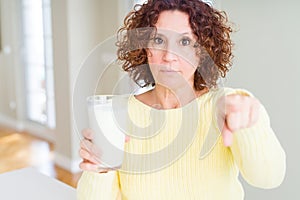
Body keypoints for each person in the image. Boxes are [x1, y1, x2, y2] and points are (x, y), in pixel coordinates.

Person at [77, 0, 286, 199]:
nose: (169, 55)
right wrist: (100, 168)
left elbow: (269, 178)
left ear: (203, 52)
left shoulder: (226, 105)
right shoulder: (117, 113)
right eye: (159, 40)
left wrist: (248, 127)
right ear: (145, 48)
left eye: (184, 41)